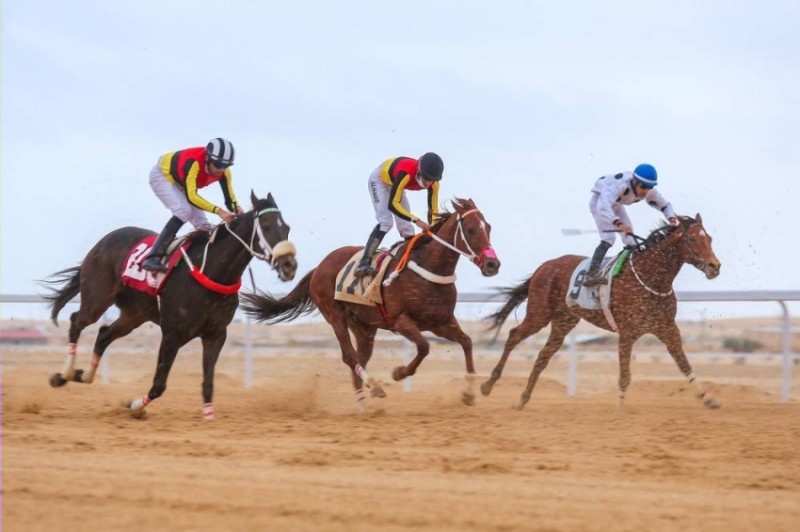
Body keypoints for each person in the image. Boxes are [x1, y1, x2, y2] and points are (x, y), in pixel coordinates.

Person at [142, 138, 244, 272]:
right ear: (208, 158)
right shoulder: (194, 163)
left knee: (204, 226)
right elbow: (192, 196)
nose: (222, 169)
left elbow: (229, 198)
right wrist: (219, 211)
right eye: (218, 164)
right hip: (162, 176)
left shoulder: (224, 172)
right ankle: (153, 257)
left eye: (226, 166)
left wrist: (237, 208)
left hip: (182, 183)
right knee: (183, 210)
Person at [582, 163, 678, 286]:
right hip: (599, 203)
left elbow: (665, 205)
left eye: (649, 187)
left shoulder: (649, 191)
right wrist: (619, 223)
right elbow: (603, 207)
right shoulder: (620, 185)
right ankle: (591, 274)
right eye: (643, 187)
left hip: (616, 204)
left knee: (631, 240)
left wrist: (672, 220)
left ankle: (628, 272)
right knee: (609, 239)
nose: (645, 191)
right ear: (635, 181)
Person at [353, 152, 444, 278]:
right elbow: (393, 205)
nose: (428, 183)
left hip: (397, 185)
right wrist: (417, 220)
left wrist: (434, 229)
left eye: (432, 179)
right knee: (386, 222)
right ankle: (363, 263)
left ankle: (412, 258)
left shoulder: (434, 184)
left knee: (406, 228)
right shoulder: (406, 173)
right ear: (418, 170)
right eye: (426, 178)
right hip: (379, 181)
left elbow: (433, 210)